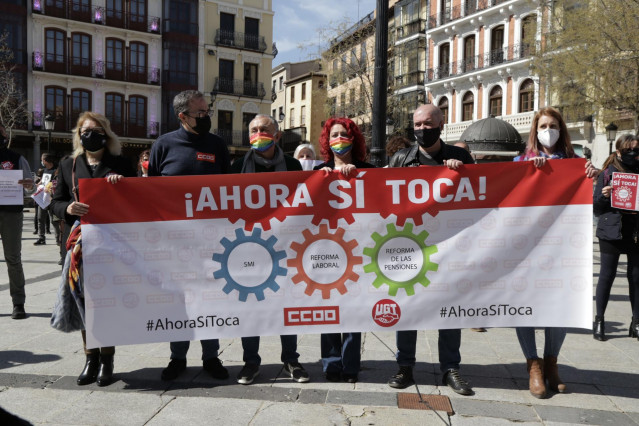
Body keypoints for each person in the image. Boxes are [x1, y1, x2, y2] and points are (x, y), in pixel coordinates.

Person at [387, 104, 474, 395]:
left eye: (428, 124)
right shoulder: (400, 159)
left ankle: (450, 368)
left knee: (450, 310)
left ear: (441, 124)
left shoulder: (460, 157)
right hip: (410, 245)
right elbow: (384, 199)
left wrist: (461, 175)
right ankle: (405, 367)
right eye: (418, 125)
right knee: (408, 308)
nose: (422, 129)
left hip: (450, 247)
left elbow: (479, 197)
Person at [148, 90, 231, 382]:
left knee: (210, 299)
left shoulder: (217, 145)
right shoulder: (163, 145)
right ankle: (178, 357)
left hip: (212, 242)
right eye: (201, 113)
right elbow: (150, 192)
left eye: (208, 111)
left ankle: (211, 357)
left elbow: (230, 190)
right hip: (175, 243)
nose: (207, 117)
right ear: (182, 116)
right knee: (178, 300)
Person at [49, 112, 135, 386]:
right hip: (79, 247)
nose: (91, 134)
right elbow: (55, 202)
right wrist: (67, 208)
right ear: (78, 134)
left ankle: (107, 359)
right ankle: (91, 358)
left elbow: (137, 201)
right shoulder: (68, 165)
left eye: (97, 130)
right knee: (83, 302)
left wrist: (124, 186)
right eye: (86, 130)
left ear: (107, 134)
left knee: (105, 304)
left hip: (112, 245)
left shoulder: (121, 163)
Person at [512, 105, 589, 398]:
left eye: (552, 126)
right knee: (525, 306)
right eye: (543, 126)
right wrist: (527, 173)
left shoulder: (575, 163)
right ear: (535, 131)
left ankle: (551, 363)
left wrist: (591, 177)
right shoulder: (521, 160)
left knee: (560, 306)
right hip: (527, 248)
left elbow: (593, 198)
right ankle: (533, 365)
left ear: (561, 129)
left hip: (562, 248)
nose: (548, 131)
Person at [230, 114, 310, 385]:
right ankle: (250, 363)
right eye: (253, 130)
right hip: (249, 247)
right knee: (250, 307)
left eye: (264, 129)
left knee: (286, 306)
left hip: (284, 247)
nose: (258, 133)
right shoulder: (239, 166)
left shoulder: (292, 165)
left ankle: (291, 360)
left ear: (277, 135)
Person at [314, 117, 374, 383]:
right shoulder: (318, 171)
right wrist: (320, 181)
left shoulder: (369, 171)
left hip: (358, 250)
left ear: (354, 139)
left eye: (344, 134)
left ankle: (350, 366)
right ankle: (331, 364)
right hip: (326, 249)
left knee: (352, 311)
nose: (339, 139)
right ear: (327, 141)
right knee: (328, 310)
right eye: (334, 135)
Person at [593, 134, 639, 342]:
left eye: (636, 150)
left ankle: (636, 322)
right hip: (611, 230)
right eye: (629, 150)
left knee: (636, 278)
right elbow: (596, 209)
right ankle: (600, 320)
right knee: (607, 275)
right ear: (619, 152)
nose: (633, 154)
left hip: (635, 231)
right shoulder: (607, 173)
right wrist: (604, 195)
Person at [0, 124, 33, 319]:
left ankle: (18, 303)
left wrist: (29, 185)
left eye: (1, 132)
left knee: (13, 258)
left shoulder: (17, 158)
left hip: (11, 213)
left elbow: (30, 187)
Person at [33, 153, 57, 246]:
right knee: (40, 218)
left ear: (45, 161)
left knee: (53, 220)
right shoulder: (44, 170)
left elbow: (55, 183)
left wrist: (50, 187)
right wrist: (39, 184)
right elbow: (43, 181)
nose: (41, 162)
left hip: (51, 199)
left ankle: (58, 239)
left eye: (42, 160)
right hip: (42, 197)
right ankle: (41, 237)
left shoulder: (56, 171)